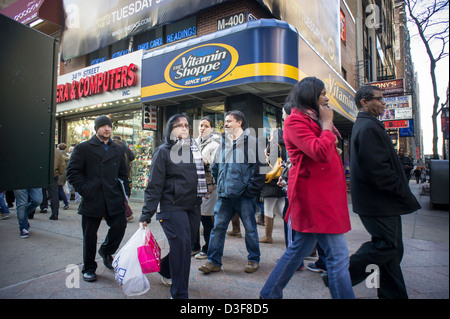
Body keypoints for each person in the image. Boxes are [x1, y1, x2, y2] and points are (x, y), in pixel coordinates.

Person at [260, 77, 354, 299]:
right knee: (338, 256)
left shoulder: (312, 120)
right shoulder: (295, 122)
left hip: (323, 195)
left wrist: (325, 126)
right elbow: (320, 152)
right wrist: (328, 123)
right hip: (315, 198)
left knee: (299, 250)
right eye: (322, 93)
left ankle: (269, 293)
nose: (327, 98)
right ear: (310, 96)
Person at [348, 85, 421, 299]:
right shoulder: (368, 127)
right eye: (379, 99)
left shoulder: (368, 125)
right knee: (387, 246)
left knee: (392, 252)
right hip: (380, 203)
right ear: (364, 102)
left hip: (380, 202)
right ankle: (340, 275)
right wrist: (399, 189)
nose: (383, 103)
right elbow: (377, 169)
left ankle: (393, 295)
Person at [139, 114, 206, 299]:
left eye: (186, 125)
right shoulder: (163, 151)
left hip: (193, 205)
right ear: (170, 130)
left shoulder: (192, 149)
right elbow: (154, 185)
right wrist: (146, 214)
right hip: (172, 207)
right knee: (183, 250)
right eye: (178, 125)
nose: (184, 128)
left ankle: (166, 269)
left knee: (185, 246)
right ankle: (179, 294)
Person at [199, 110, 266, 274]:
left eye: (229, 121)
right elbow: (215, 167)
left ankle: (253, 259)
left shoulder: (252, 143)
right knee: (218, 228)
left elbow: (260, 170)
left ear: (239, 123)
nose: (226, 124)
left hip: (244, 197)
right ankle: (213, 261)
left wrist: (249, 191)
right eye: (225, 121)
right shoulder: (223, 143)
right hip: (224, 196)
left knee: (250, 229)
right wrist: (220, 184)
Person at [67, 115, 130, 282]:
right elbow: (72, 172)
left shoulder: (117, 149)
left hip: (113, 197)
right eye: (103, 126)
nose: (107, 129)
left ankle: (106, 250)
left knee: (120, 226)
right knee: (89, 236)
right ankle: (88, 268)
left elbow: (123, 173)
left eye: (109, 126)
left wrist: (126, 193)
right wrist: (86, 190)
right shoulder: (83, 148)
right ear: (96, 129)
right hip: (93, 198)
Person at [192, 116, 221, 259]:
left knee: (207, 218)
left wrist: (205, 162)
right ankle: (195, 246)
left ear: (212, 129)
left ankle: (208, 247)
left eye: (206, 126)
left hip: (209, 187)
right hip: (195, 187)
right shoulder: (194, 142)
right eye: (201, 125)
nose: (202, 128)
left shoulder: (215, 144)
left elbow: (216, 166)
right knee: (195, 218)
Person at [259, 129, 287, 244]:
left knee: (268, 209)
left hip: (271, 183)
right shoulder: (285, 148)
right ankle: (293, 229)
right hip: (280, 182)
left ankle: (268, 236)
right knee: (281, 209)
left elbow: (267, 166)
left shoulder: (273, 147)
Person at [57, 143, 70, 210]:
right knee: (62, 188)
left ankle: (65, 203)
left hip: (59, 174)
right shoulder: (67, 155)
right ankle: (66, 202)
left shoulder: (59, 155)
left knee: (59, 189)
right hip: (65, 174)